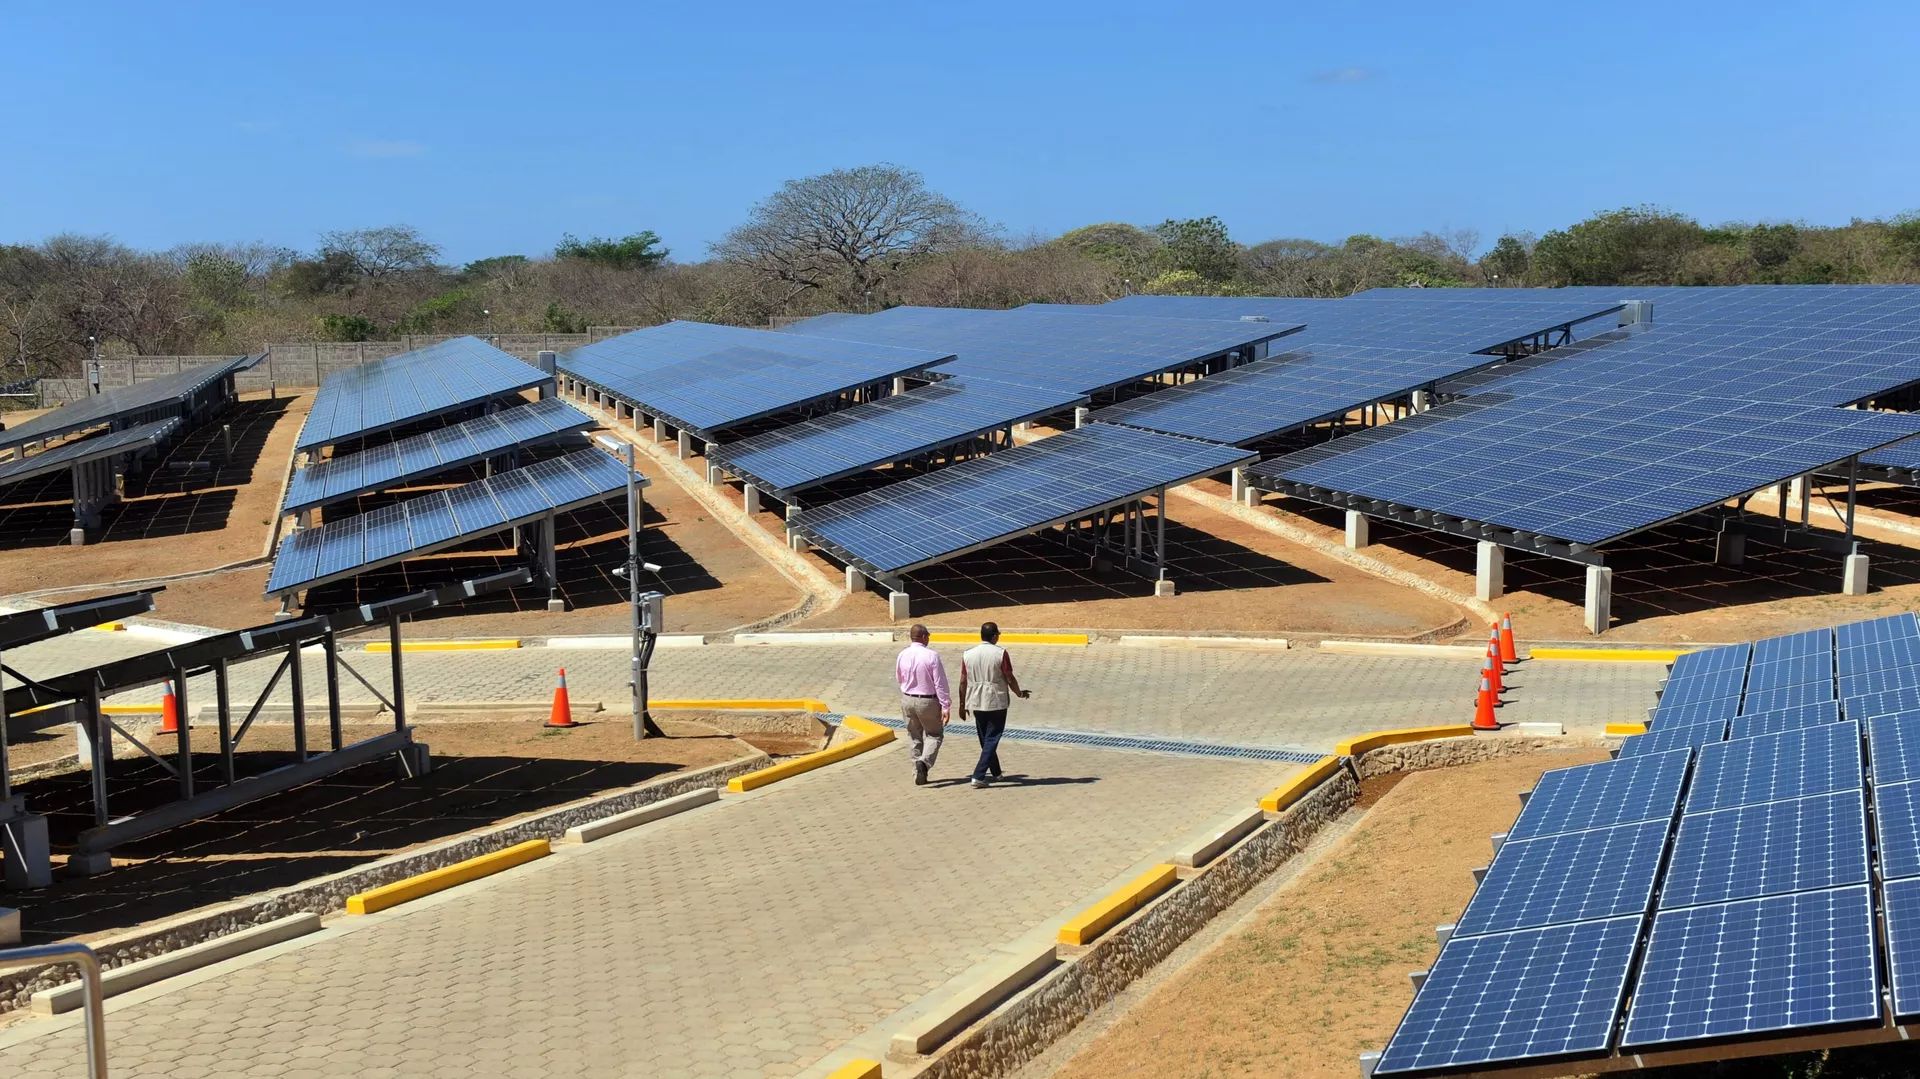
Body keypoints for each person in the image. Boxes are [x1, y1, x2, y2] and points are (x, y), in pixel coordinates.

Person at [957, 621, 1031, 789]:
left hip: (976, 700)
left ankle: (996, 772)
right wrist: (1019, 693)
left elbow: (962, 681)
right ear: (995, 636)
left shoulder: (968, 654)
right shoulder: (1000, 653)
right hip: (996, 700)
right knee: (992, 738)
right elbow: (1009, 677)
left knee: (985, 738)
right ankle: (978, 775)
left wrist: (962, 704)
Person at [895, 623, 951, 786]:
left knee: (914, 736)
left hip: (907, 698)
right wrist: (945, 705)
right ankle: (924, 763)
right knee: (934, 734)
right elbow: (940, 683)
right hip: (927, 700)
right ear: (925, 637)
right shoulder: (931, 656)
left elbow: (899, 678)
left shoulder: (902, 654)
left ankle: (917, 772)